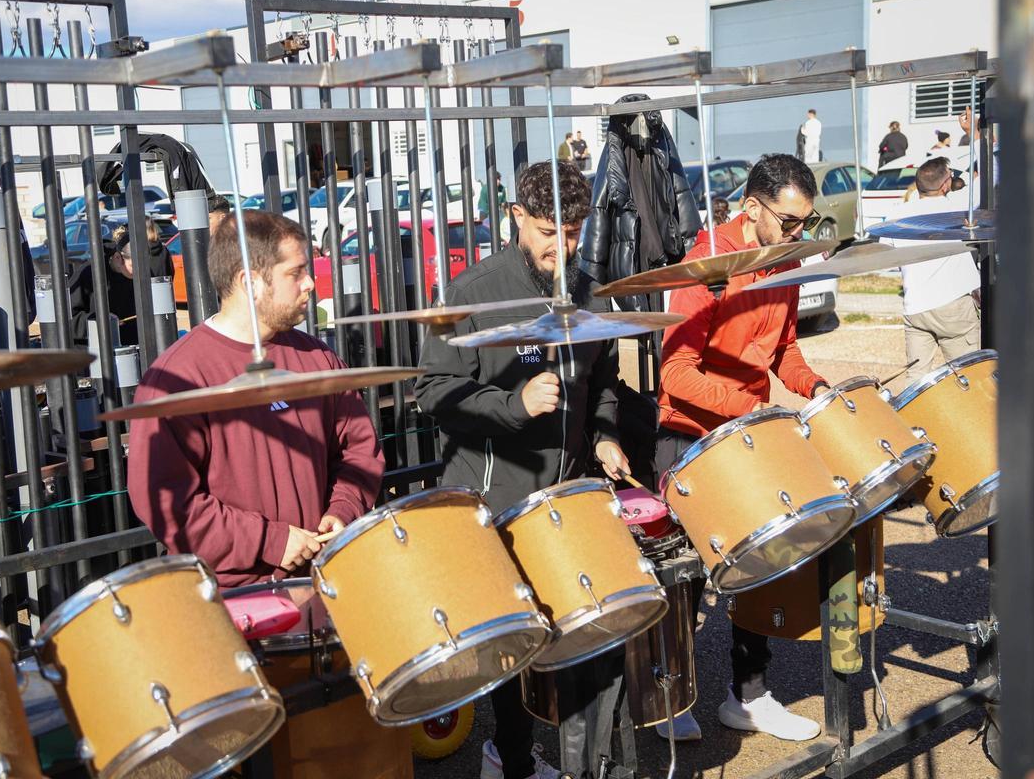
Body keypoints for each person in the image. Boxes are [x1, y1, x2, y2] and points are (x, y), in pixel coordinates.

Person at [417, 160, 629, 779]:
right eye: (547, 232)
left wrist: (607, 434)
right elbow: (433, 391)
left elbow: (604, 379)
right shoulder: (469, 292)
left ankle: (586, 755)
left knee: (579, 631)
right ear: (515, 219)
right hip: (494, 493)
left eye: (572, 232)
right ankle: (508, 756)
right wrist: (514, 406)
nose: (561, 247)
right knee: (514, 643)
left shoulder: (586, 287)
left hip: (567, 492)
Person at [656, 154, 829, 742]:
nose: (797, 235)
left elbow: (783, 353)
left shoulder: (785, 262)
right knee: (688, 578)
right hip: (690, 435)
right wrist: (749, 408)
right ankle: (668, 694)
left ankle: (748, 694)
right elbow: (675, 375)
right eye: (789, 222)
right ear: (751, 208)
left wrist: (817, 389)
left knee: (760, 559)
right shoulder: (704, 266)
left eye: (805, 224)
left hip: (748, 432)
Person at [127, 210, 383, 587]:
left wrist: (343, 508)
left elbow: (360, 449)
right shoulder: (177, 379)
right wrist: (271, 541)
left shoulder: (318, 358)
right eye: (295, 273)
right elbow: (167, 502)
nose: (310, 283)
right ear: (251, 282)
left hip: (326, 580)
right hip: (233, 599)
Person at [879, 156, 980, 383]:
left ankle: (913, 418)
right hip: (952, 306)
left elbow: (887, 253)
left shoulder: (897, 214)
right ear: (945, 184)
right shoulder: (954, 206)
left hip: (915, 307)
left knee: (915, 378)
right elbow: (989, 177)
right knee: (968, 376)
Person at [67, 218, 174, 346]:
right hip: (96, 351)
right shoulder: (88, 273)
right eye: (134, 266)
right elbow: (68, 319)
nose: (141, 272)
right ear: (118, 258)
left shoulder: (144, 273)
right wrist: (99, 322)